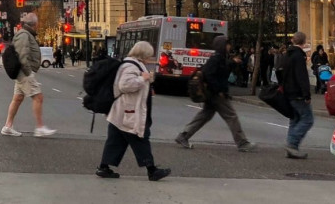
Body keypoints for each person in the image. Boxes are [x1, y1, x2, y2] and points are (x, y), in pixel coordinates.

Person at [95, 41, 171, 181]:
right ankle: (152, 170)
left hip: (121, 111)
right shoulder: (131, 66)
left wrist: (147, 81)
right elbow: (125, 85)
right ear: (143, 54)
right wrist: (143, 78)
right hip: (129, 111)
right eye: (149, 55)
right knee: (140, 137)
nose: (150, 57)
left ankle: (103, 167)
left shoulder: (131, 64)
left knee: (116, 140)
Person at [175, 35, 255, 152]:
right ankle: (242, 142)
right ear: (222, 46)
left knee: (204, 115)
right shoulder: (216, 59)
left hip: (212, 93)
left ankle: (183, 135)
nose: (229, 46)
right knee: (231, 116)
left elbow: (222, 71)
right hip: (217, 94)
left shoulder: (219, 58)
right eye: (227, 44)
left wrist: (232, 62)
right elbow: (210, 75)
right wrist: (219, 90)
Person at [1, 13, 57, 138]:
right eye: (37, 23)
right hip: (24, 73)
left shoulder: (25, 34)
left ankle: (8, 126)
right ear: (34, 24)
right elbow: (22, 54)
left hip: (22, 72)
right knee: (38, 97)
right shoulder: (24, 35)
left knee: (17, 99)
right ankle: (40, 127)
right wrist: (28, 72)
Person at [279, 32, 313, 159]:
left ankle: (291, 147)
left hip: (288, 91)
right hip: (297, 93)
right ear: (304, 42)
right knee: (307, 119)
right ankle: (292, 144)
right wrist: (306, 94)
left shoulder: (287, 54)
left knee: (295, 119)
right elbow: (302, 76)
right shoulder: (299, 56)